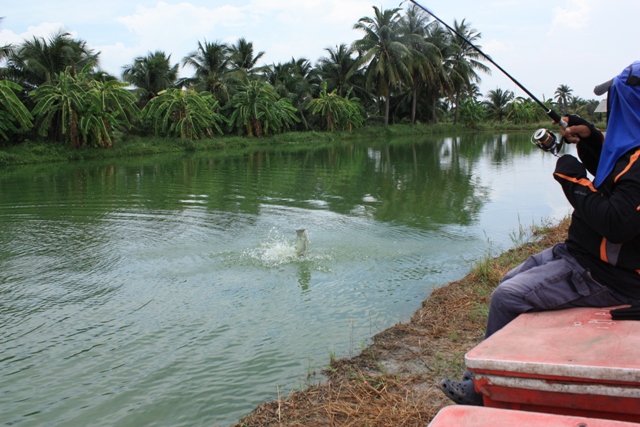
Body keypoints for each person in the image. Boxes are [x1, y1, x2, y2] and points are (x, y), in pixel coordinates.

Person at [438, 60, 640, 406]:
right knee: (507, 280)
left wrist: (573, 180)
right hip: (579, 253)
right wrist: (591, 138)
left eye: (616, 100)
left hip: (607, 275)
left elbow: (617, 223)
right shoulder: (630, 152)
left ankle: (485, 391)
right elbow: (616, 179)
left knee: (507, 297)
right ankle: (490, 371)